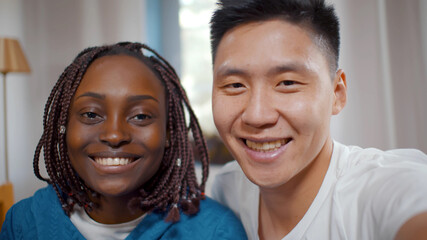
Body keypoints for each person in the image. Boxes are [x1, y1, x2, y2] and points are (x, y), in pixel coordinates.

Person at [209, 0, 427, 239]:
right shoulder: (227, 192)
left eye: (287, 83)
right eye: (235, 85)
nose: (257, 115)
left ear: (337, 93)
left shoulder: (380, 189)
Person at [0, 42, 247, 239]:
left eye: (140, 116)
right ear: (63, 126)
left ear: (169, 132)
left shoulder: (215, 231)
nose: (115, 135)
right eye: (91, 114)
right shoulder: (24, 223)